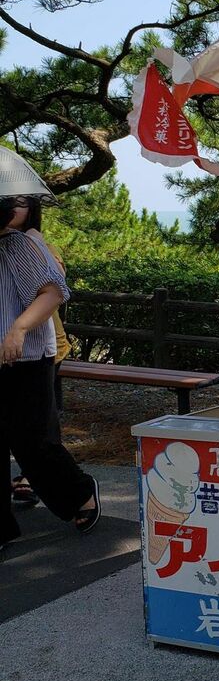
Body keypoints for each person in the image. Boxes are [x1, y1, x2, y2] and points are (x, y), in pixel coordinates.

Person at [0, 198, 100, 555]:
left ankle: (79, 493)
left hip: (24, 359)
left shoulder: (19, 244)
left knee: (33, 443)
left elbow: (53, 292)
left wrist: (18, 328)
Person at [7, 196, 70, 508]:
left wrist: (37, 243)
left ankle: (65, 490)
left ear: (32, 210)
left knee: (39, 429)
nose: (12, 208)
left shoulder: (33, 242)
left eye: (21, 203)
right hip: (11, 351)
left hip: (41, 349)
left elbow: (57, 285)